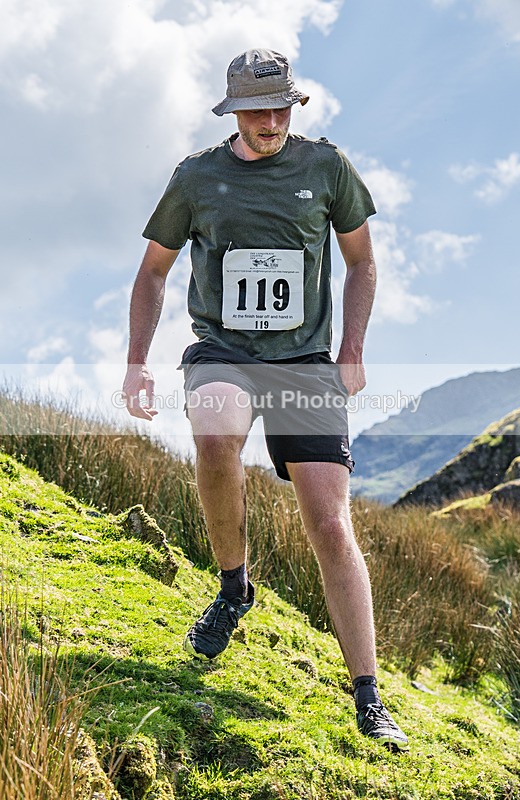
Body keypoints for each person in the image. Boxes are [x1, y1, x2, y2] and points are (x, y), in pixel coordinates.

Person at [122, 48, 408, 751]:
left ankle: (368, 696)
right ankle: (232, 587)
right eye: (258, 110)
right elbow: (153, 273)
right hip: (223, 351)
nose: (272, 121)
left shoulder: (326, 168)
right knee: (215, 434)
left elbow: (361, 259)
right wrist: (136, 363)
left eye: (282, 107)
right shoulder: (195, 178)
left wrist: (352, 350)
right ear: (233, 111)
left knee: (328, 522)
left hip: (306, 364)